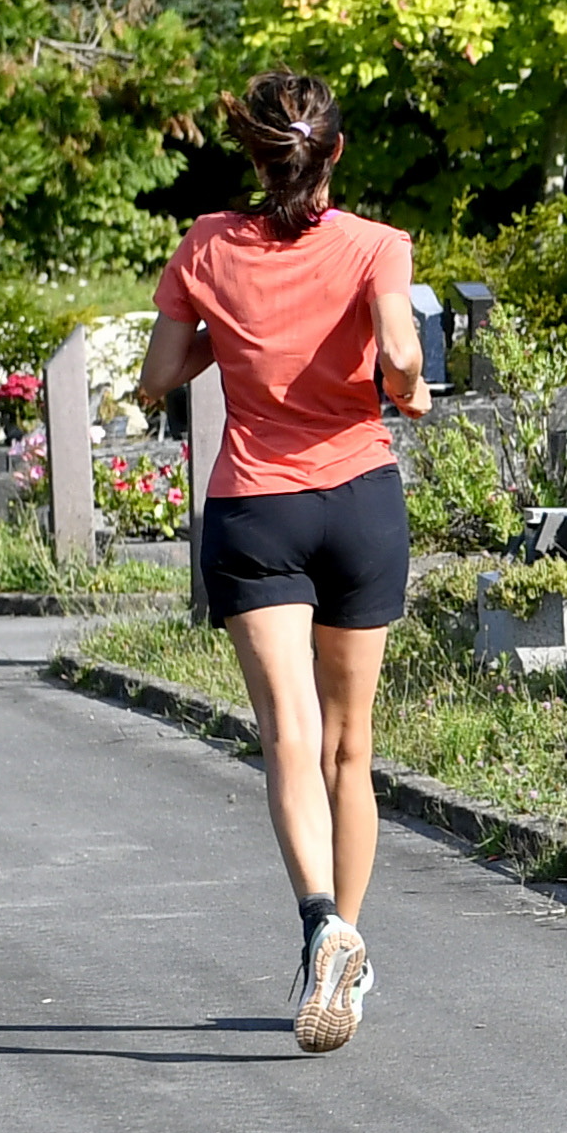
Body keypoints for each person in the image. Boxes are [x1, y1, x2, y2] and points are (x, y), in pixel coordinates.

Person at [135, 73, 429, 1052]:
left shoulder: (206, 246)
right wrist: (406, 383)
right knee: (352, 745)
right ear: (335, 152)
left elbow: (157, 378)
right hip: (359, 505)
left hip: (255, 512)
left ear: (254, 157)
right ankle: (346, 939)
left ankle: (320, 924)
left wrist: (229, 337)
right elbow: (399, 357)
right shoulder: (377, 245)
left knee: (287, 738)